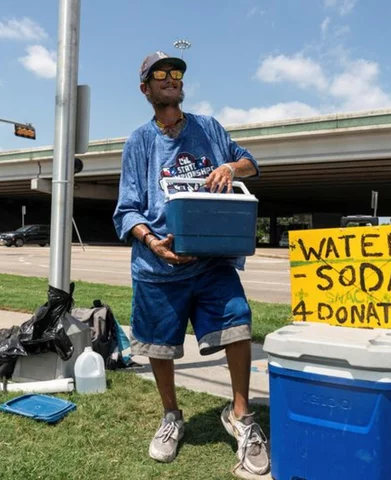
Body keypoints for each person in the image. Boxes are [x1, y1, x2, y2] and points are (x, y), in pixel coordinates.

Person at [113, 51, 270, 476]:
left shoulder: (209, 129)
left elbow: (252, 164)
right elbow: (127, 210)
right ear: (145, 88)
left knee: (238, 324)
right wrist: (152, 242)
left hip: (212, 260)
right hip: (157, 267)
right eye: (159, 75)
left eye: (176, 73)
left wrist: (229, 167)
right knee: (159, 346)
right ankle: (171, 417)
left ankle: (241, 415)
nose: (170, 79)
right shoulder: (140, 142)